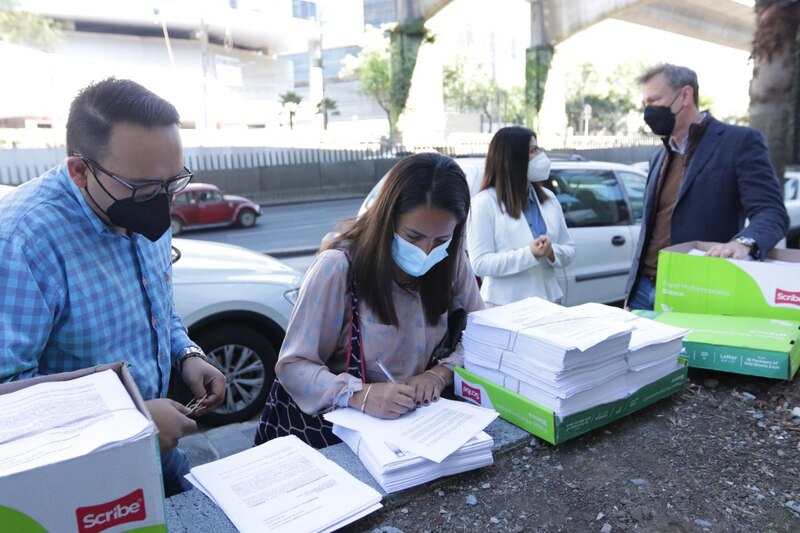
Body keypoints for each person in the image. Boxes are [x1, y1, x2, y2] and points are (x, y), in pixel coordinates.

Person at [0, 78, 226, 496]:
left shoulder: (141, 207)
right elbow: (10, 400)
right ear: (80, 171)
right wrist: (132, 418)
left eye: (172, 183)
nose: (162, 203)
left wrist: (187, 355)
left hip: (159, 451)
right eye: (143, 188)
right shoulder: (21, 240)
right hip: (77, 476)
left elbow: (159, 309)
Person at [255, 152, 483, 448]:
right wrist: (360, 395)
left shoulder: (452, 261)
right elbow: (294, 366)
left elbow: (483, 335)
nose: (427, 252)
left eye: (440, 240)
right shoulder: (338, 267)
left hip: (417, 431)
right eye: (413, 237)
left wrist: (439, 375)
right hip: (341, 439)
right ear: (387, 219)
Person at [626, 63, 789, 310]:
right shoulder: (659, 156)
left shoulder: (739, 142)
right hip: (643, 291)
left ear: (685, 95)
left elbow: (772, 213)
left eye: (654, 100)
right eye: (645, 104)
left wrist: (742, 244)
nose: (648, 111)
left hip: (697, 291)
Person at [466, 126, 575, 306]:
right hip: (506, 308)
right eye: (533, 151)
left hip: (549, 302)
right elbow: (480, 263)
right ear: (513, 159)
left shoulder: (548, 198)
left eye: (538, 149)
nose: (540, 156)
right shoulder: (484, 203)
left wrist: (551, 252)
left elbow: (569, 249)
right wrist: (529, 254)